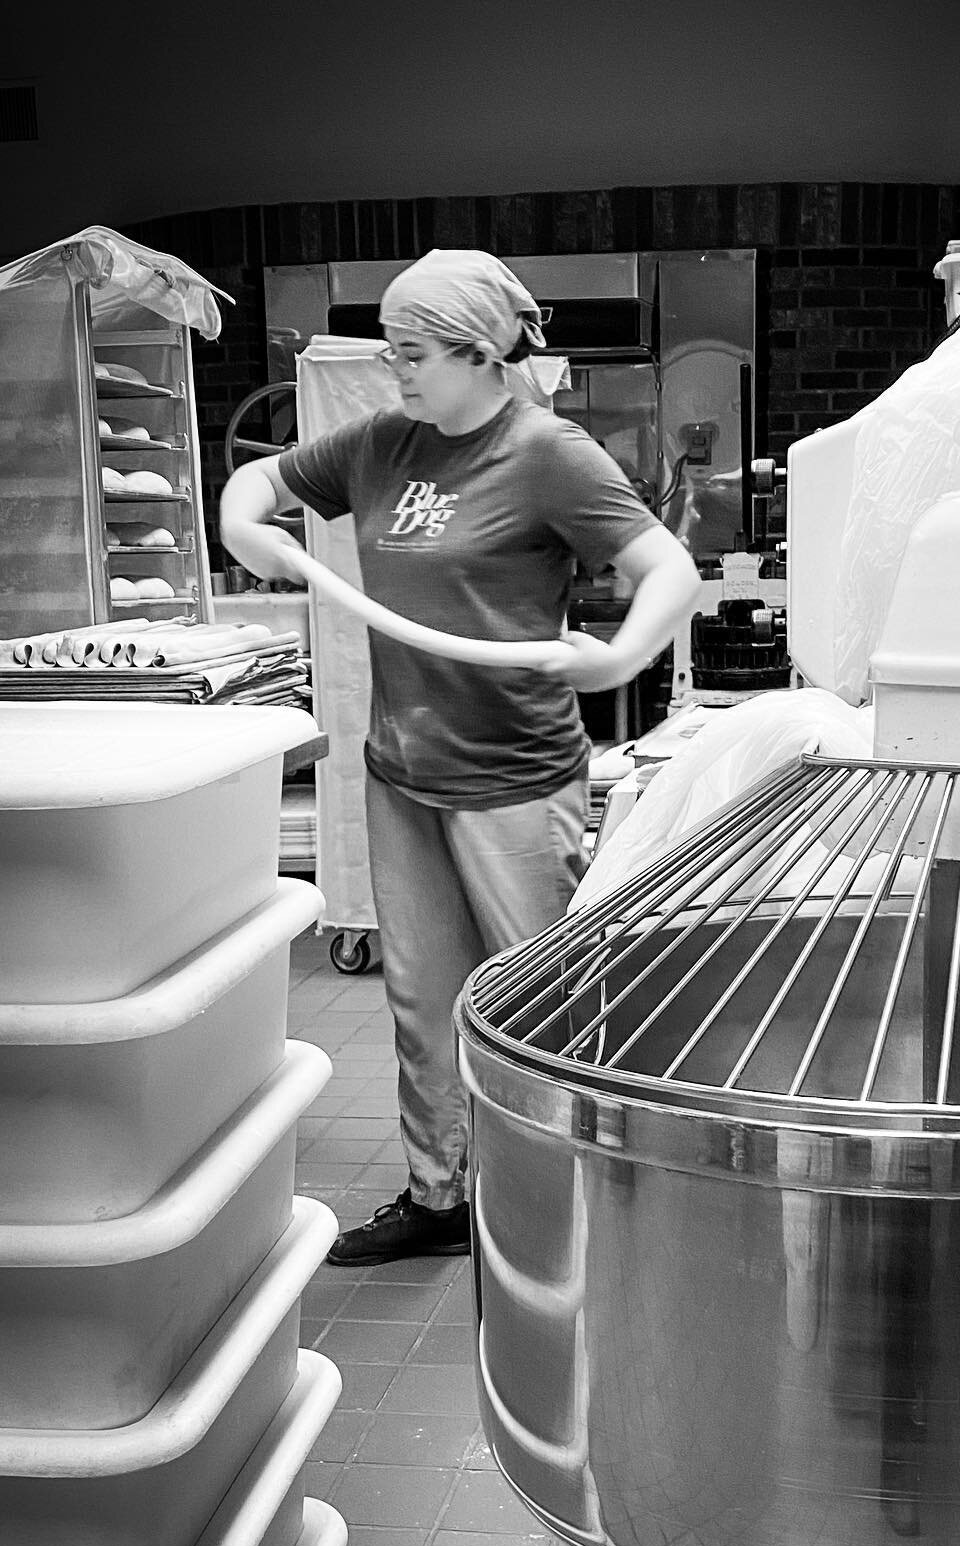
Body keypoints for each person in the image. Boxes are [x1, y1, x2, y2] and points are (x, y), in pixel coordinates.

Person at [220, 249, 701, 1265]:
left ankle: (580, 1205)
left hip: (515, 779)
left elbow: (668, 568)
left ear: (482, 354)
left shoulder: (546, 452)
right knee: (421, 1002)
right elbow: (261, 477)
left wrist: (616, 655)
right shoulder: (382, 444)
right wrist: (240, 517)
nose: (395, 371)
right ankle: (441, 1197)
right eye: (391, 351)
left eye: (413, 354)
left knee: (542, 1008)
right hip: (401, 773)